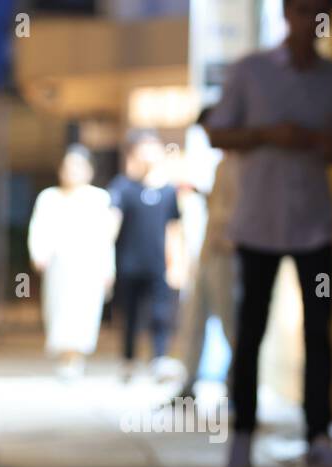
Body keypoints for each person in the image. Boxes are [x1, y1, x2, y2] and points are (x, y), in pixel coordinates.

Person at [206, 0, 332, 467]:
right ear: (287, 13)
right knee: (250, 333)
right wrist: (268, 133)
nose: (311, 21)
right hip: (259, 225)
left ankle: (319, 438)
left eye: (320, 12)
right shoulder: (251, 71)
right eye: (304, 11)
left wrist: (307, 138)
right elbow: (217, 133)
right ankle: (242, 436)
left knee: (319, 332)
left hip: (315, 226)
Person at [28, 145, 116, 377]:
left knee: (84, 310)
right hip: (59, 264)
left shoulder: (98, 198)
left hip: (89, 265)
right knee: (59, 309)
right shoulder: (49, 197)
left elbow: (105, 238)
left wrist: (109, 268)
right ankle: (64, 355)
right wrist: (39, 253)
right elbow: (39, 229)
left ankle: (76, 356)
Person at [108, 130, 186, 382]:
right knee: (129, 314)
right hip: (129, 263)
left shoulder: (168, 191)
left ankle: (159, 358)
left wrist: (176, 262)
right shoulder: (123, 187)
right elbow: (112, 223)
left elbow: (173, 228)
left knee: (160, 313)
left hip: (158, 264)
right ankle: (128, 360)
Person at [175, 107, 240, 401]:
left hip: (229, 255)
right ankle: (188, 383)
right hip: (209, 252)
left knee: (231, 322)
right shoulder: (223, 165)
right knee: (195, 318)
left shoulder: (243, 166)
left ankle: (237, 386)